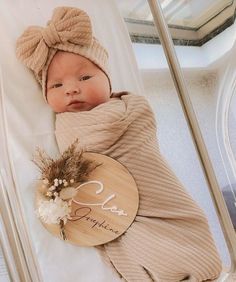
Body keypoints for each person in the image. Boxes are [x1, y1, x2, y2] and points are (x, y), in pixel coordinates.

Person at [16, 6, 222, 282]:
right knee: (132, 235)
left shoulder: (131, 109)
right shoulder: (66, 127)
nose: (71, 89)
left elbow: (136, 147)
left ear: (108, 80)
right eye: (56, 86)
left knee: (176, 235)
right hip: (119, 204)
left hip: (165, 205)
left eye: (85, 77)